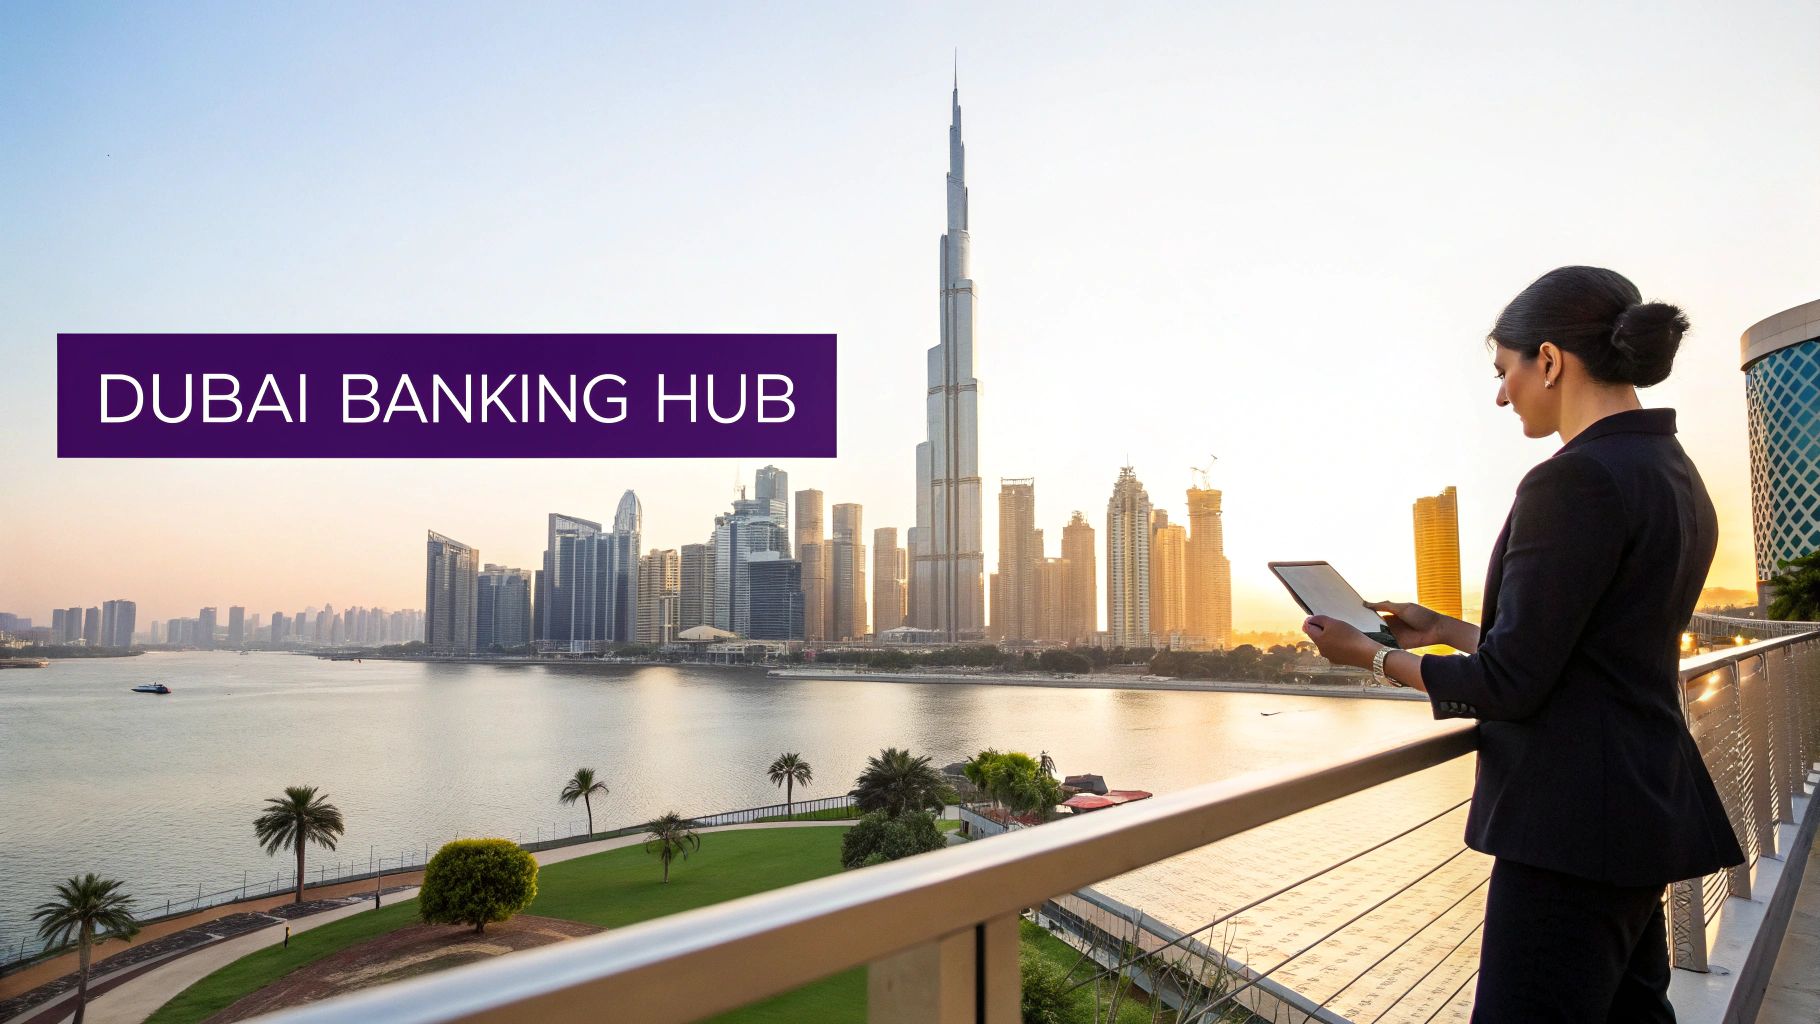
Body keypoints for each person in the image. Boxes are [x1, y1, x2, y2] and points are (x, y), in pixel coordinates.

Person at [1301, 266, 1743, 1023]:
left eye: (1504, 372)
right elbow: (1586, 647)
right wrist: (1441, 630)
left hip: (1570, 830)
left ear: (1549, 360)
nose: (1502, 395)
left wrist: (1369, 656)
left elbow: (1509, 682)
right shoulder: (1672, 471)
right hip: (1639, 811)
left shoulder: (1572, 481)